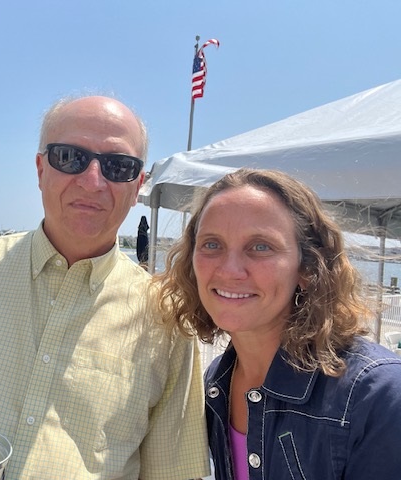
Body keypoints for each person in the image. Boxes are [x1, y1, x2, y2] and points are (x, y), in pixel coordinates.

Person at [0, 95, 211, 480]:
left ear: (138, 184)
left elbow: (171, 470)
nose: (93, 181)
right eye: (70, 157)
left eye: (118, 166)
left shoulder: (166, 316)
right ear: (41, 169)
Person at [155, 168, 401, 479]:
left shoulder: (375, 396)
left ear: (308, 267)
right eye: (212, 244)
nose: (230, 270)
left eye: (260, 246)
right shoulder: (215, 383)